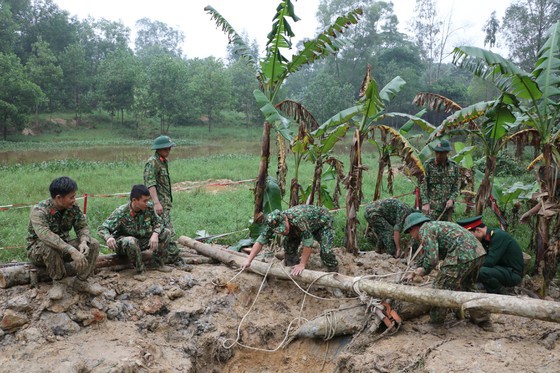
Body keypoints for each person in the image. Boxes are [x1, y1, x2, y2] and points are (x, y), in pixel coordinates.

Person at [403, 212, 489, 328]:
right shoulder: (436, 226)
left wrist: (423, 271)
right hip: (478, 252)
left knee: (439, 288)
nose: (412, 236)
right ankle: (483, 320)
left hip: (461, 255)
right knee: (468, 286)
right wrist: (416, 268)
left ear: (414, 228)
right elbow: (430, 254)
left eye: (410, 232)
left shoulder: (425, 230)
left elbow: (432, 259)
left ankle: (435, 323)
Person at [27, 176, 102, 299]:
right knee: (49, 245)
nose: (74, 200)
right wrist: (71, 250)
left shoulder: (73, 207)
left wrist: (83, 241)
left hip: (64, 247)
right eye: (71, 197)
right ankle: (59, 282)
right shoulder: (39, 211)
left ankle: (82, 281)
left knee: (93, 243)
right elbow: (46, 236)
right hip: (39, 250)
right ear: (59, 198)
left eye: (74, 196)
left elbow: (82, 226)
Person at [98, 184, 173, 277]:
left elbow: (159, 222)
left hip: (141, 240)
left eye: (148, 200)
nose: (147, 203)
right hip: (124, 244)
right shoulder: (121, 212)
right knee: (131, 241)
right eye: (144, 201)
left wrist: (155, 234)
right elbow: (102, 228)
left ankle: (157, 264)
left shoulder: (148, 208)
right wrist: (108, 238)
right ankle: (140, 271)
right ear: (134, 200)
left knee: (166, 232)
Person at [242, 205, 339, 276]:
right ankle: (292, 268)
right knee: (288, 244)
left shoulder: (298, 219)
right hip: (300, 228)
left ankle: (333, 273)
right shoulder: (273, 223)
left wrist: (302, 264)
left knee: (327, 251)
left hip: (322, 223)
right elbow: (260, 241)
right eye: (279, 231)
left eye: (283, 228)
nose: (283, 231)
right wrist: (248, 260)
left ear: (285, 219)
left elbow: (308, 243)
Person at [457, 215, 524, 294]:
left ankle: (500, 294)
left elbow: (489, 262)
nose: (470, 239)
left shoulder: (498, 236)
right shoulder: (486, 239)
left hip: (512, 274)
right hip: (500, 270)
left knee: (481, 271)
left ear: (478, 230)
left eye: (471, 236)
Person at [144, 135, 181, 264]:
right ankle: (174, 257)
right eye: (166, 148)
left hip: (165, 203)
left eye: (169, 148)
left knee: (164, 230)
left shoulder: (163, 161)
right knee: (166, 231)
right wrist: (156, 203)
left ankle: (164, 257)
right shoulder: (152, 162)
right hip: (159, 204)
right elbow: (150, 184)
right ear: (159, 149)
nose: (168, 150)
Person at [420, 139, 459, 221]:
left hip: (447, 208)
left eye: (441, 153)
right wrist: (425, 203)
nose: (438, 155)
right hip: (431, 208)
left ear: (446, 152)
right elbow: (423, 185)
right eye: (436, 152)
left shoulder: (454, 166)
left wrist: (452, 199)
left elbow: (456, 186)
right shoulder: (428, 165)